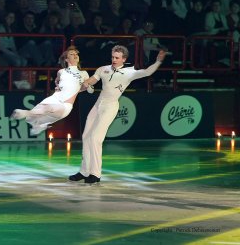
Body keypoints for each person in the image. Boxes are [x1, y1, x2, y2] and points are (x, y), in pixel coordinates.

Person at [69, 45, 167, 184]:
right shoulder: (103, 69)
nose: (114, 59)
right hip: (97, 105)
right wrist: (73, 90)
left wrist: (158, 61)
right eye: (112, 57)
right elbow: (90, 81)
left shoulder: (129, 72)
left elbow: (147, 72)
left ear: (124, 59)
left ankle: (95, 174)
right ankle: (84, 171)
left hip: (110, 107)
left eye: (117, 57)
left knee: (96, 138)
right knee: (86, 136)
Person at [10, 46, 93, 135]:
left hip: (66, 105)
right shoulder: (61, 71)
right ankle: (38, 124)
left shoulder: (84, 73)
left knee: (46, 109)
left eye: (76, 54)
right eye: (72, 54)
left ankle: (27, 115)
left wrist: (87, 87)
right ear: (66, 59)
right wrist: (57, 85)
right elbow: (57, 81)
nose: (75, 55)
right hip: (55, 98)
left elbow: (90, 90)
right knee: (38, 112)